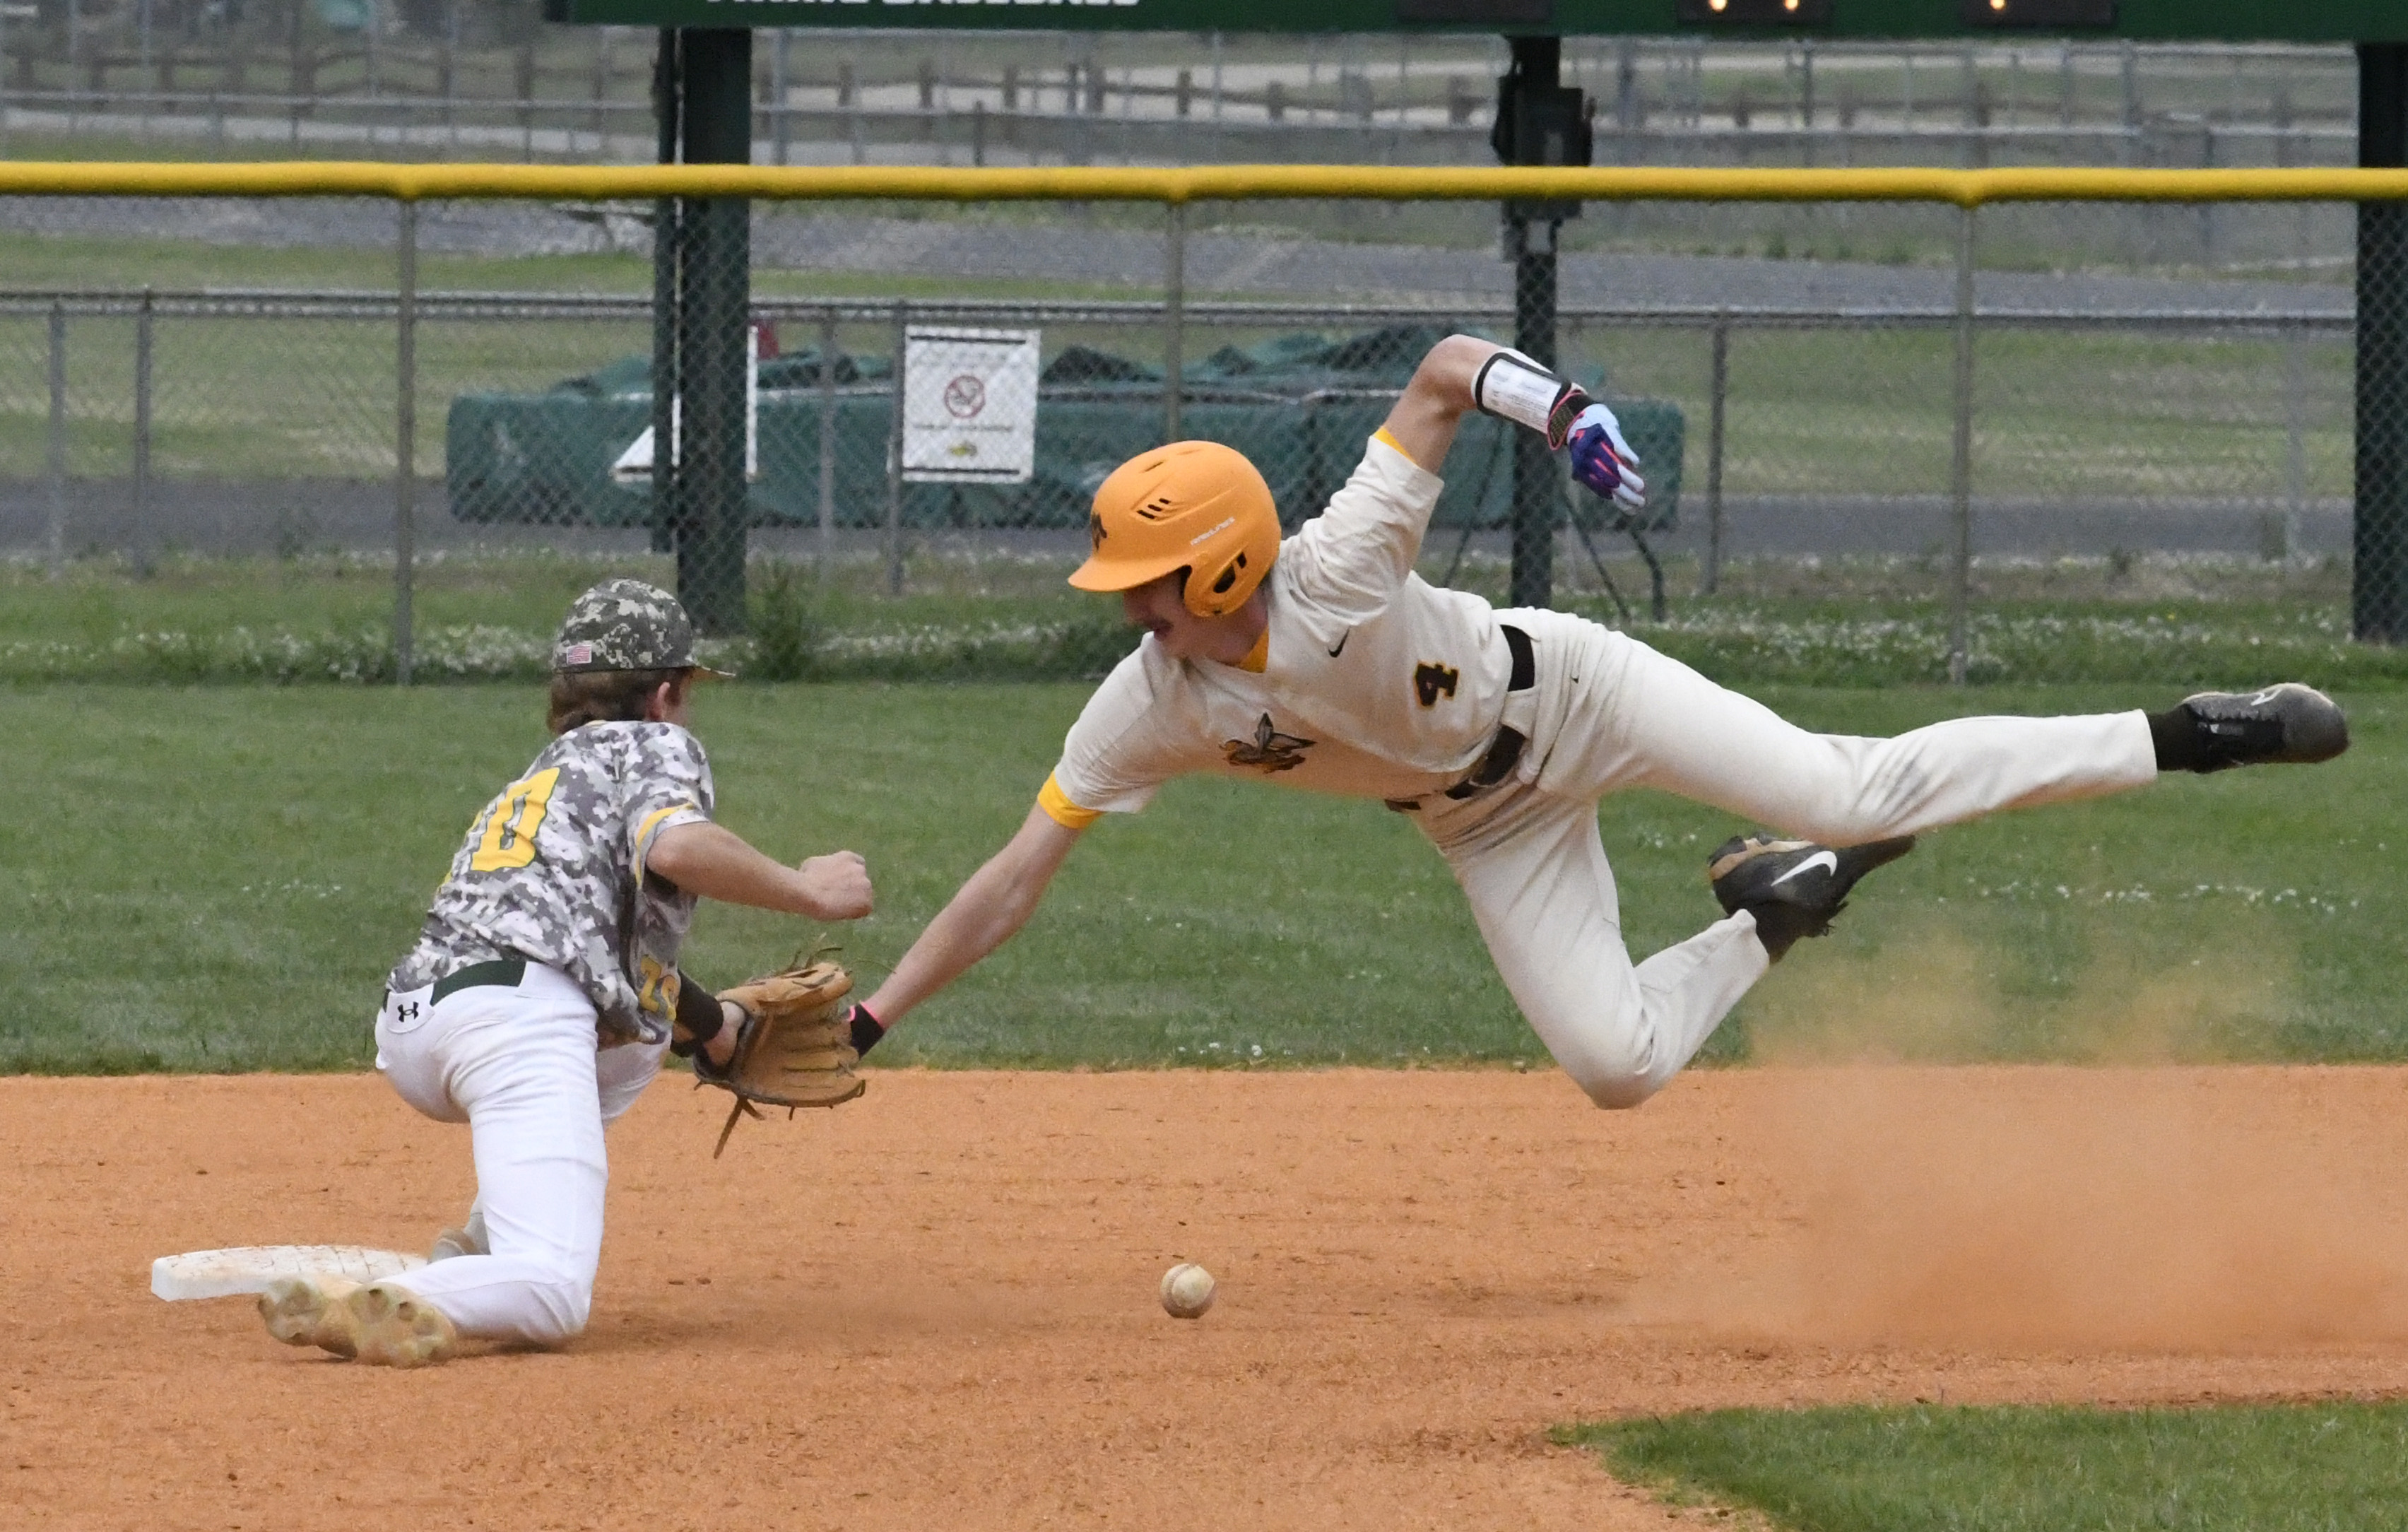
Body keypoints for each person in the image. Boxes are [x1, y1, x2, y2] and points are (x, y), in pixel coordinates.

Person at [836, 334, 2348, 1107]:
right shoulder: (1150, 705)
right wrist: (867, 1020)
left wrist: (1561, 412)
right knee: (1617, 1067)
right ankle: (1779, 908)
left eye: (1147, 584)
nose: (1128, 610)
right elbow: (1014, 876)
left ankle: (2190, 729)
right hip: (1479, 822)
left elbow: (1442, 372)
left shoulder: (1340, 562)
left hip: (1574, 693)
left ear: (1225, 564)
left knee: (1847, 785)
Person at [257, 579, 873, 1367]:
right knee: (553, 1294)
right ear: (664, 694)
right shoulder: (655, 744)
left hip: (416, 1027)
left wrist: (715, 1028)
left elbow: (619, 968)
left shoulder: (548, 776)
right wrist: (809, 889)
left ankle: (480, 1245)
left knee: (640, 1039)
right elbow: (676, 845)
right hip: (515, 1025)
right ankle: (386, 1297)